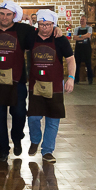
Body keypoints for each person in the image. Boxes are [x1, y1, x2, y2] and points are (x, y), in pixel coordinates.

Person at [0, 1, 37, 163]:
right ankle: (2, 150)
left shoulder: (24, 30)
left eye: (8, 14)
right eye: (2, 14)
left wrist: (57, 30)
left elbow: (42, 35)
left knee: (19, 113)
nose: (4, 17)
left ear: (14, 16)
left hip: (17, 81)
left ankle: (17, 137)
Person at [25, 9, 75, 163]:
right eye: (41, 24)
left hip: (55, 85)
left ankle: (47, 150)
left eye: (48, 25)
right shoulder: (31, 37)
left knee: (53, 119)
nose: (44, 28)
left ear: (53, 24)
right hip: (36, 84)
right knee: (33, 117)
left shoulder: (60, 40)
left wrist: (71, 78)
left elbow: (70, 60)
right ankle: (35, 139)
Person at [72, 16, 93, 84]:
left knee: (88, 63)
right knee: (77, 64)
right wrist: (83, 36)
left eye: (83, 19)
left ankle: (90, 79)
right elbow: (74, 38)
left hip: (87, 48)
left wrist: (79, 36)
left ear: (86, 20)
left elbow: (88, 36)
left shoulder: (89, 28)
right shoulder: (77, 28)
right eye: (81, 19)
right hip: (78, 48)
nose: (82, 21)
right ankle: (76, 80)